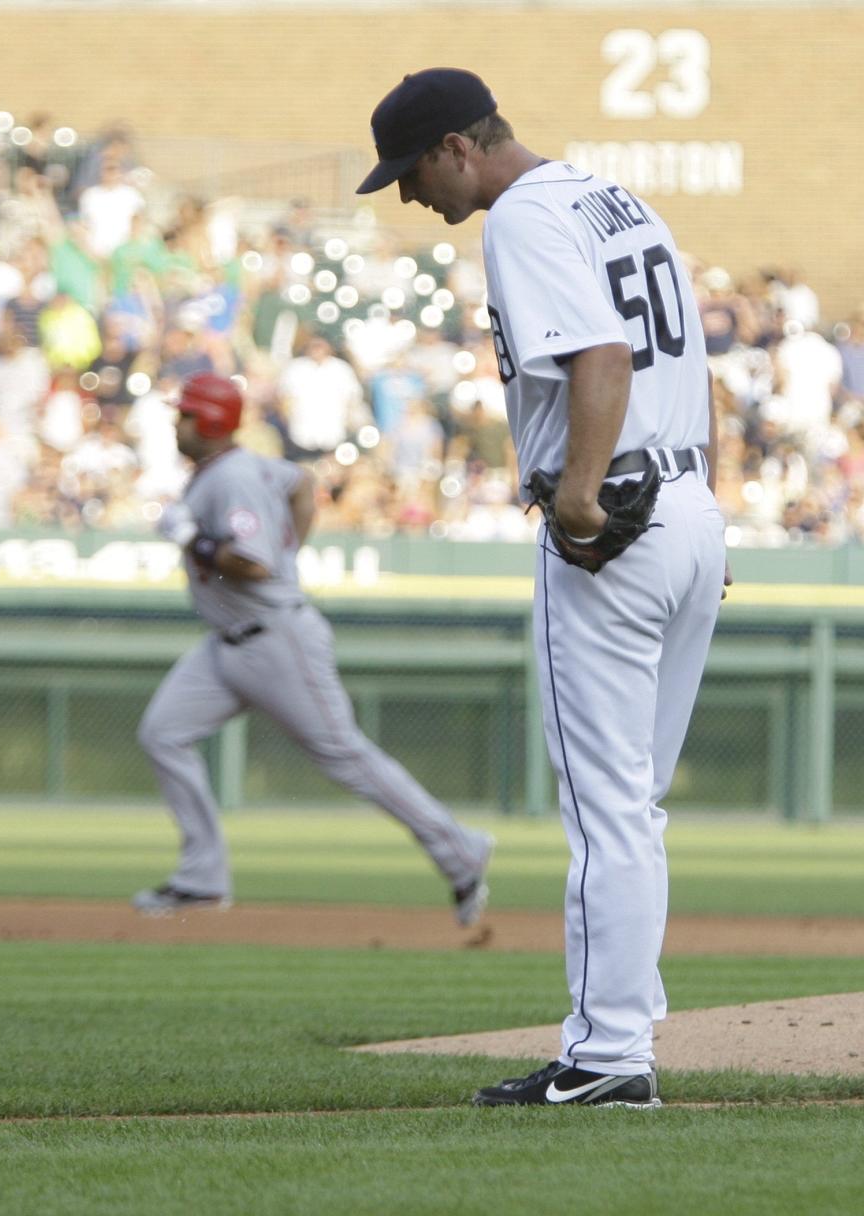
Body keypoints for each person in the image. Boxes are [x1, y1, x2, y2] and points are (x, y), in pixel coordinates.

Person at [358, 68, 727, 1108]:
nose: (409, 196)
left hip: (615, 523)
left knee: (606, 806)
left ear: (457, 150)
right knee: (633, 804)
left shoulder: (519, 218)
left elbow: (602, 359)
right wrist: (710, 507)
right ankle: (625, 1022)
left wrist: (573, 504)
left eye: (410, 171)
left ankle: (608, 1054)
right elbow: (693, 368)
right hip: (687, 502)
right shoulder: (615, 197)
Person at [133, 371, 493, 924]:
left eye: (184, 413)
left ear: (207, 421)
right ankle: (201, 878)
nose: (176, 422)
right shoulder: (237, 468)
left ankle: (459, 851)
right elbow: (300, 482)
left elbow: (253, 565)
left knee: (346, 757)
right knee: (163, 733)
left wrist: (194, 540)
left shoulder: (231, 478)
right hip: (227, 645)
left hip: (276, 640)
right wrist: (290, 545)